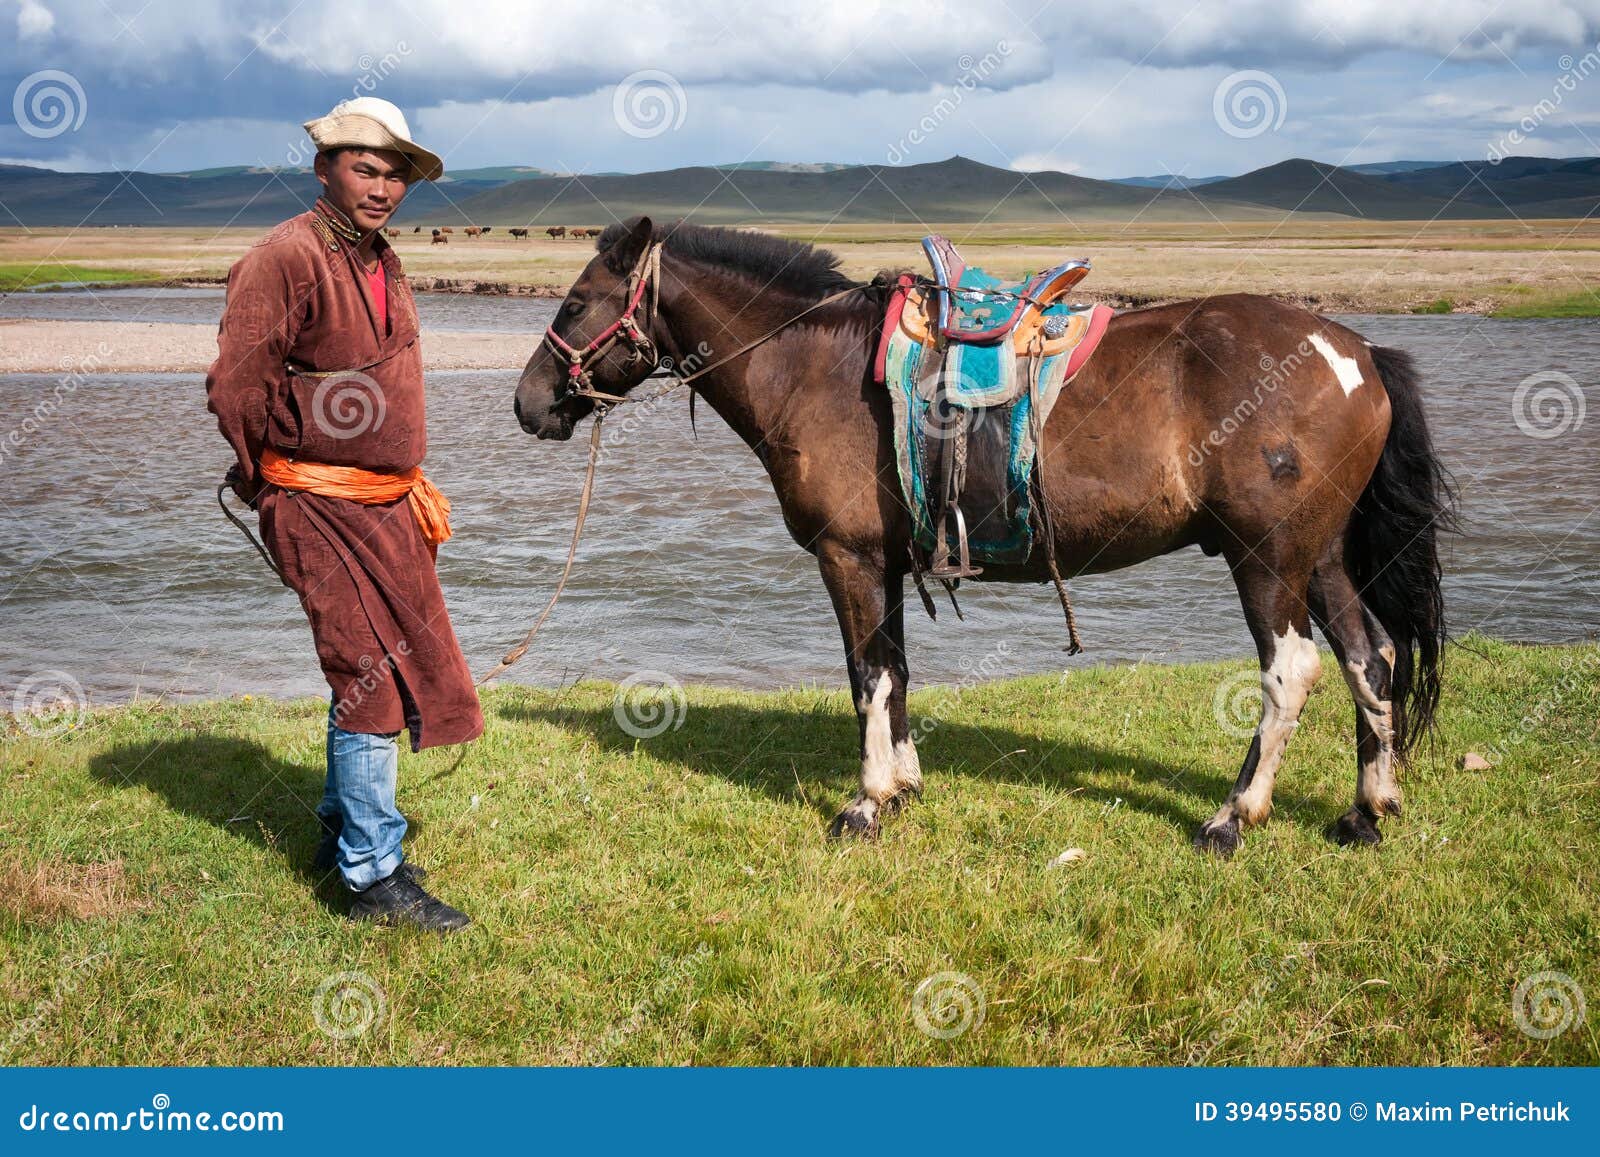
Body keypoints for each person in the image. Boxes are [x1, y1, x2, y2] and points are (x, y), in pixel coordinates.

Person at [206, 97, 482, 932]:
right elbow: (235, 387)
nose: (383, 186)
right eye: (366, 168)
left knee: (381, 664)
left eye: (397, 173)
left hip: (382, 505)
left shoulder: (381, 258)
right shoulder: (284, 257)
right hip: (315, 500)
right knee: (363, 667)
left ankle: (340, 834)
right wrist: (271, 481)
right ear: (325, 167)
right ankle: (372, 878)